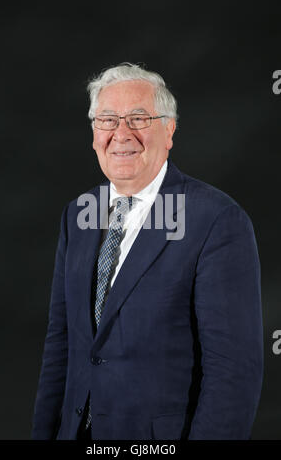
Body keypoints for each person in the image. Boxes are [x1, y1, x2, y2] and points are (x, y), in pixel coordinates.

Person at [31, 63, 263, 440]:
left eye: (138, 118)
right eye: (107, 120)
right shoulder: (77, 215)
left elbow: (234, 374)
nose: (121, 133)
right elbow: (60, 346)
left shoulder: (216, 220)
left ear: (168, 130)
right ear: (94, 133)